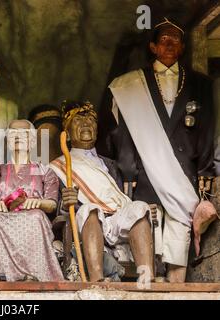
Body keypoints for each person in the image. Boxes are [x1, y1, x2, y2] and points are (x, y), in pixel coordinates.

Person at [100, 18, 215, 282]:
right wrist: (129, 171)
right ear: (153, 46)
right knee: (150, 237)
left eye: (175, 38)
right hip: (145, 174)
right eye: (164, 38)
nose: (170, 43)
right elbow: (124, 135)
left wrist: (205, 170)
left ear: (183, 46)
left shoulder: (201, 84)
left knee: (178, 236)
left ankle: (176, 290)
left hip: (183, 175)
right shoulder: (130, 85)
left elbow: (206, 131)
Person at [50, 102, 154, 282]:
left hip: (115, 220)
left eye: (90, 120)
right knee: (91, 209)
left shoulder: (110, 165)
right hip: (89, 221)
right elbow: (54, 209)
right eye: (78, 120)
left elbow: (119, 199)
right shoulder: (57, 167)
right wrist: (67, 204)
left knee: (140, 208)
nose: (85, 124)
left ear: (97, 130)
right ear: (66, 134)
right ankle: (97, 280)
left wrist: (143, 211)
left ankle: (147, 278)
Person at [0, 119, 64, 282]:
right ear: (7, 140)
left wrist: (39, 203)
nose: (18, 137)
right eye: (13, 133)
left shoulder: (45, 170)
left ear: (33, 141)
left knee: (35, 216)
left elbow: (52, 203)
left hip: (33, 217)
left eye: (24, 134)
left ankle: (33, 272)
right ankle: (0, 272)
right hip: (3, 218)